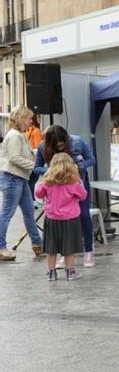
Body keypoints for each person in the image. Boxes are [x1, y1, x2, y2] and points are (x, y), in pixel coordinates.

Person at [34, 126, 96, 268]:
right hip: (55, 187)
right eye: (56, 146)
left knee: (84, 216)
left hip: (75, 182)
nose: (60, 148)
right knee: (61, 221)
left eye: (62, 145)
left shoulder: (77, 142)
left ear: (66, 139)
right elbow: (36, 168)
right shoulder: (42, 147)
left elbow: (91, 159)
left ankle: (88, 251)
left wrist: (78, 166)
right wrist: (51, 171)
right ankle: (64, 254)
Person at [35, 153, 87, 281]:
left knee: (51, 248)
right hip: (70, 219)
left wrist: (44, 179)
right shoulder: (74, 183)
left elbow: (38, 194)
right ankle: (70, 272)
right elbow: (83, 196)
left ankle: (52, 273)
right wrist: (80, 182)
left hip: (51, 219)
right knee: (69, 247)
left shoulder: (48, 183)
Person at [0, 106, 43, 261]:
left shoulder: (18, 135)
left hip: (18, 177)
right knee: (6, 214)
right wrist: (36, 167)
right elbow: (14, 157)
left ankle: (37, 243)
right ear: (20, 119)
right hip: (12, 177)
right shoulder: (15, 136)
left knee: (29, 211)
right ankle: (1, 247)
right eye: (28, 118)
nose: (30, 121)